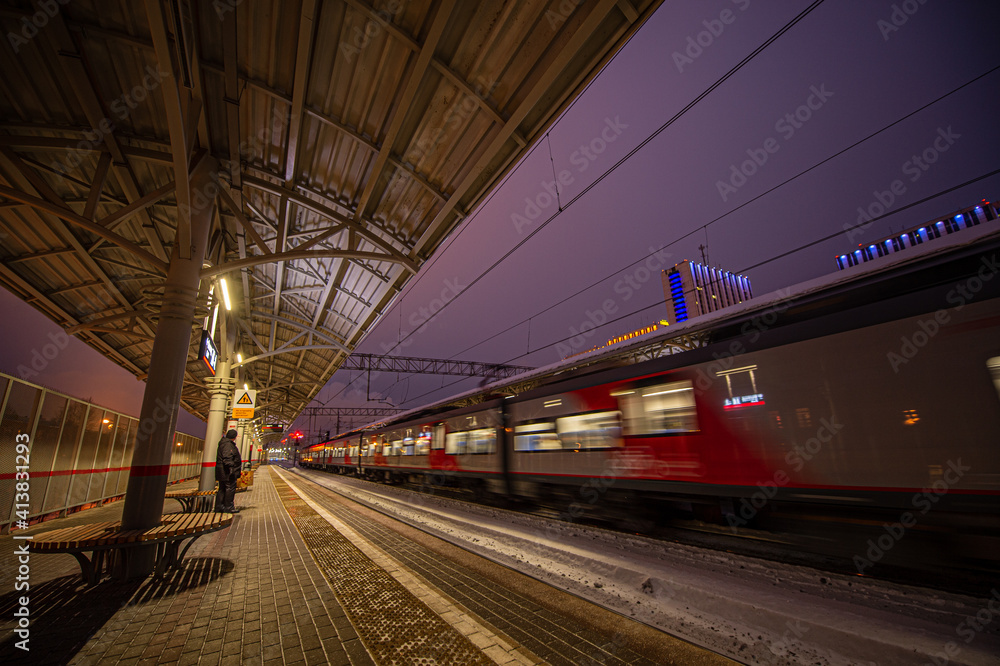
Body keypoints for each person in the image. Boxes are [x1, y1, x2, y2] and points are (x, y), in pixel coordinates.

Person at [215, 429, 242, 513]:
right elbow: (227, 457)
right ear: (235, 437)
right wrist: (231, 469)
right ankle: (229, 507)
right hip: (227, 472)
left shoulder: (224, 443)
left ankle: (220, 506)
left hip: (223, 471)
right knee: (229, 488)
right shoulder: (227, 445)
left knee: (222, 489)